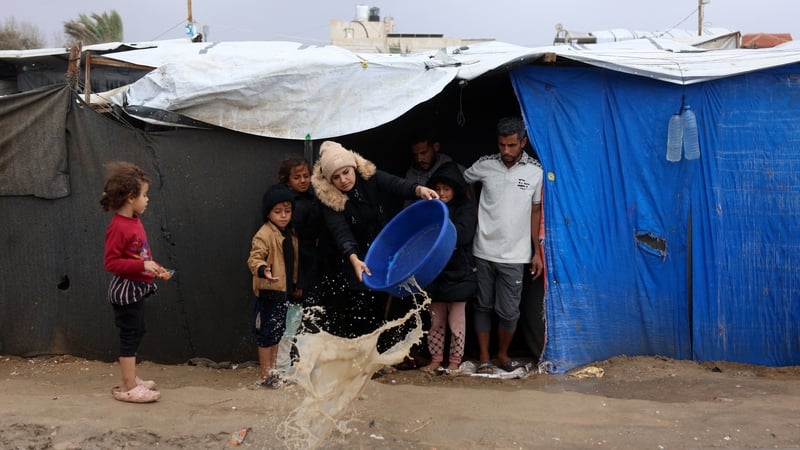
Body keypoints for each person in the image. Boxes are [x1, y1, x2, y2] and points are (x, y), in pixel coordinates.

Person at [310, 140, 438, 351]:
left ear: (354, 167)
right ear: (329, 180)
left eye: (346, 172)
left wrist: (418, 190)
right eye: (336, 177)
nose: (343, 180)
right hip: (349, 258)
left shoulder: (369, 176)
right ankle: (358, 356)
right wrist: (353, 258)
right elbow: (340, 231)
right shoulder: (328, 198)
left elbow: (396, 184)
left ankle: (377, 354)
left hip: (379, 247)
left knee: (380, 303)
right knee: (358, 306)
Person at [462, 117, 544, 374]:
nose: (506, 151)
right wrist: (472, 211)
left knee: (509, 312)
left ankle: (502, 354)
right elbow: (463, 180)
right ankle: (485, 358)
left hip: (516, 254)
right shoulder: (485, 165)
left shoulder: (536, 172)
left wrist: (536, 252)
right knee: (483, 305)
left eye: (511, 145)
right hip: (482, 250)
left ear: (523, 142)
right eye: (501, 145)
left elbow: (535, 212)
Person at [101, 161, 166, 403]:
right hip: (125, 291)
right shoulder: (118, 227)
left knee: (137, 331)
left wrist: (153, 267)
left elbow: (138, 254)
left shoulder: (134, 220)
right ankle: (128, 386)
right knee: (130, 334)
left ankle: (129, 379)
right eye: (144, 194)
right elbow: (111, 263)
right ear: (130, 197)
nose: (147, 199)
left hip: (137, 287)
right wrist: (141, 266)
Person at [419, 162, 478, 373]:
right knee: (436, 322)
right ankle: (435, 359)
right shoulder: (429, 209)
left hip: (459, 272)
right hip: (435, 273)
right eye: (438, 189)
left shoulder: (466, 209)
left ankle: (454, 361)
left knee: (456, 323)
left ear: (456, 189)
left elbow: (463, 235)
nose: (442, 194)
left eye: (447, 189)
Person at [272, 156, 323, 375]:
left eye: (306, 176)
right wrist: (297, 280)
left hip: (313, 263)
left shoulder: (313, 198)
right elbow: (290, 246)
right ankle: (284, 365)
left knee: (310, 316)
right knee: (292, 320)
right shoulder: (288, 205)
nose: (303, 180)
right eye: (297, 177)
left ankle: (303, 363)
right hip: (297, 266)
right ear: (287, 180)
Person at [247, 184, 299, 388]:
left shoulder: (290, 234)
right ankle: (264, 374)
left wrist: (294, 284)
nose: (284, 216)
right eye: (278, 212)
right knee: (266, 335)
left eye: (288, 211)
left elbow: (292, 263)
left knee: (277, 332)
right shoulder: (264, 234)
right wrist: (263, 270)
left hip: (282, 292)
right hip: (268, 291)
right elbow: (254, 257)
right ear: (268, 213)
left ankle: (274, 372)